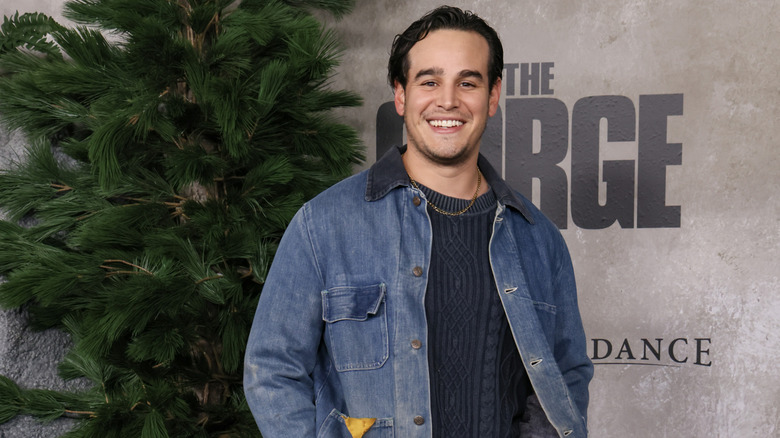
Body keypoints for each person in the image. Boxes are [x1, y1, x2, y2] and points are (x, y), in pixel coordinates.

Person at [244, 5, 592, 438]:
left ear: (493, 96)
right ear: (401, 95)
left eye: (468, 82)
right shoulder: (324, 225)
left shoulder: (538, 238)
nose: (448, 100)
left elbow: (566, 373)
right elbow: (271, 369)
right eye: (429, 81)